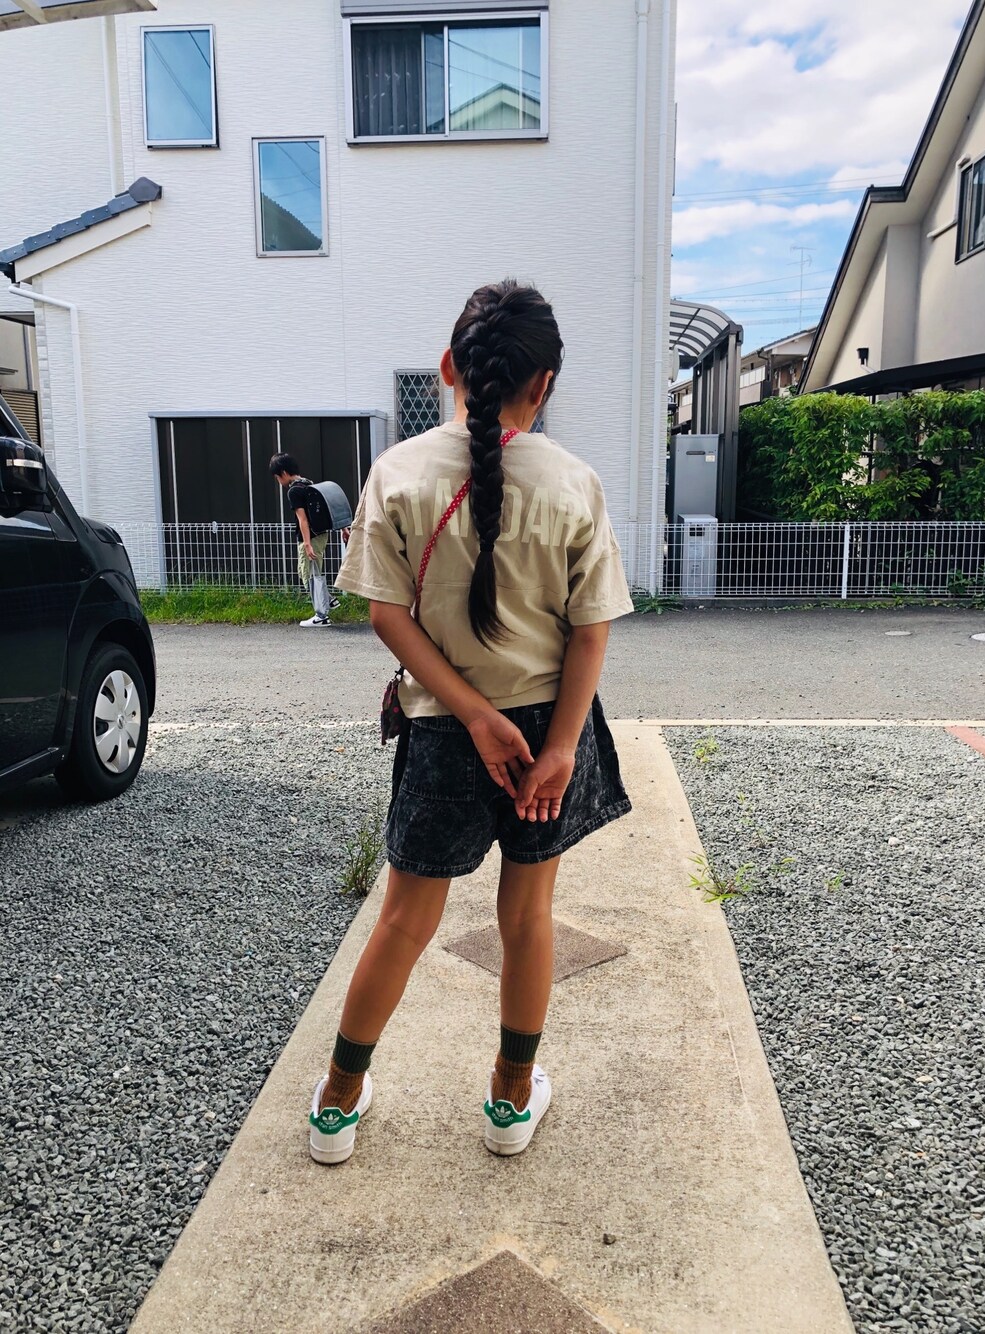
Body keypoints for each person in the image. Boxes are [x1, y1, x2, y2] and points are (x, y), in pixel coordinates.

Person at [309, 280, 634, 1165]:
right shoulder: (574, 483)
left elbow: (385, 615)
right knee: (528, 917)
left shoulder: (399, 472)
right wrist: (559, 747)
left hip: (447, 731)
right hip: (548, 734)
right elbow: (591, 631)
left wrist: (474, 716)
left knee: (403, 921)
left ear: (450, 368)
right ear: (546, 384)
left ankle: (337, 1101)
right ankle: (510, 1099)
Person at [268, 453, 344, 627]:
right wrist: (343, 527)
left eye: (277, 477)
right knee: (312, 571)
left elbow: (303, 519)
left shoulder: (294, 491)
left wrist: (307, 543)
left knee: (308, 575)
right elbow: (330, 507)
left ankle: (321, 616)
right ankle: (328, 600)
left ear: (283, 473)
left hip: (310, 537)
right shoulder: (309, 484)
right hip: (322, 534)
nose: (278, 481)